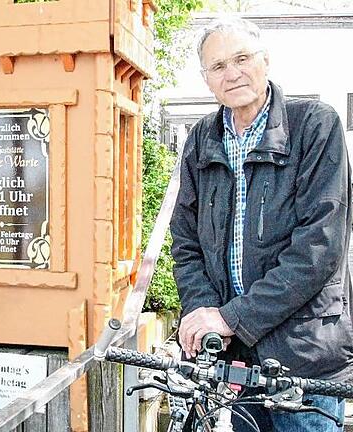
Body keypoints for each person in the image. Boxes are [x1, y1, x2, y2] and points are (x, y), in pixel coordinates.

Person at [171, 17, 353, 431]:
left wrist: (232, 316)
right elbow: (185, 240)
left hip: (304, 352)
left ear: (265, 61)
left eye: (241, 58)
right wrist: (203, 310)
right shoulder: (203, 137)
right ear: (206, 79)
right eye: (217, 66)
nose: (232, 73)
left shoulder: (314, 125)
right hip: (237, 354)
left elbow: (319, 247)